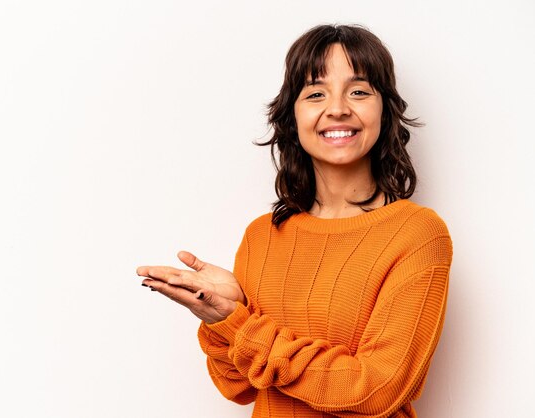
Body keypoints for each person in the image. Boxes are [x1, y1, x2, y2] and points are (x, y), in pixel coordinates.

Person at [136, 24, 452, 418]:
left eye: (358, 91)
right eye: (316, 93)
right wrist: (223, 314)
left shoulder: (417, 234)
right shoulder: (262, 236)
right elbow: (237, 385)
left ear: (384, 110)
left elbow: (376, 389)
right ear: (292, 115)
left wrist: (240, 326)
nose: (337, 108)